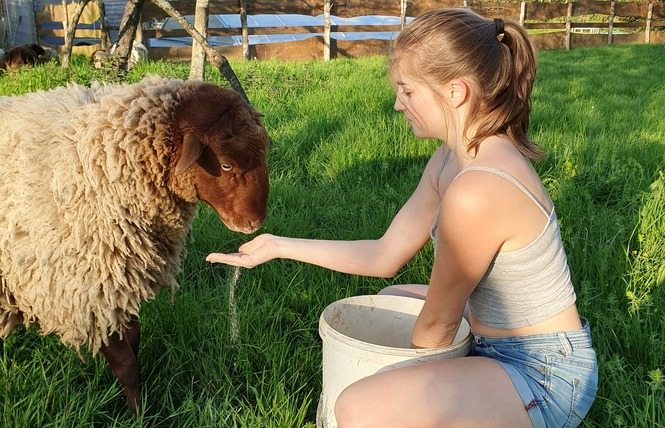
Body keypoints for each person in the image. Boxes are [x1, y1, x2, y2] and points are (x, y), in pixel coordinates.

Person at [207, 7, 598, 427]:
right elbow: (385, 253)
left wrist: (389, 389)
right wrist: (276, 246)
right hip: (498, 338)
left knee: (360, 406)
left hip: (544, 372)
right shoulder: (452, 157)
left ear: (455, 92)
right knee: (394, 300)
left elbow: (437, 327)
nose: (398, 104)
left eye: (408, 91)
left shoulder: (479, 189)